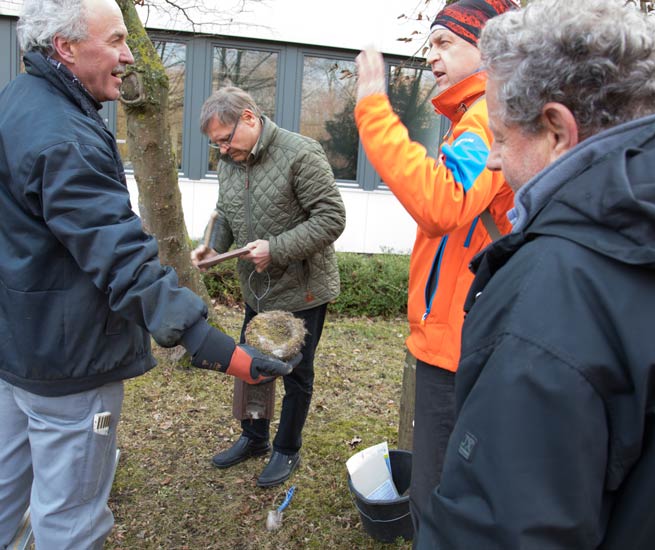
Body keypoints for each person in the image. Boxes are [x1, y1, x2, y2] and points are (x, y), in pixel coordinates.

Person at [0, 1, 298, 547]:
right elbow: (118, 256)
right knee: (70, 520)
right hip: (68, 363)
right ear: (66, 47)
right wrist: (215, 347)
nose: (129, 55)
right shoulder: (65, 137)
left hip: (18, 349)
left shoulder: (16, 102)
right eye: (115, 39)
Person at [417, 0, 655, 548]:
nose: (493, 161)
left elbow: (499, 529)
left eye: (500, 137)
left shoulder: (547, 297)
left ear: (557, 131)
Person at [353, 0, 516, 534]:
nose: (431, 57)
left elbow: (442, 202)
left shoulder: (487, 117)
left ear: (488, 47)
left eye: (445, 43)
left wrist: (373, 108)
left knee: (437, 498)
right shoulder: (476, 116)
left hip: (459, 348)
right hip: (458, 338)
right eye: (429, 45)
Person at [192, 86, 346, 488]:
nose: (222, 150)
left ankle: (287, 448)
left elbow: (331, 218)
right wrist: (212, 245)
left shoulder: (301, 153)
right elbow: (225, 212)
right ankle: (254, 437)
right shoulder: (230, 161)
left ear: (249, 117)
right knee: (250, 363)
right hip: (256, 289)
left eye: (225, 140)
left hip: (302, 289)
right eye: (215, 144)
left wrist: (275, 249)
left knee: (295, 372)